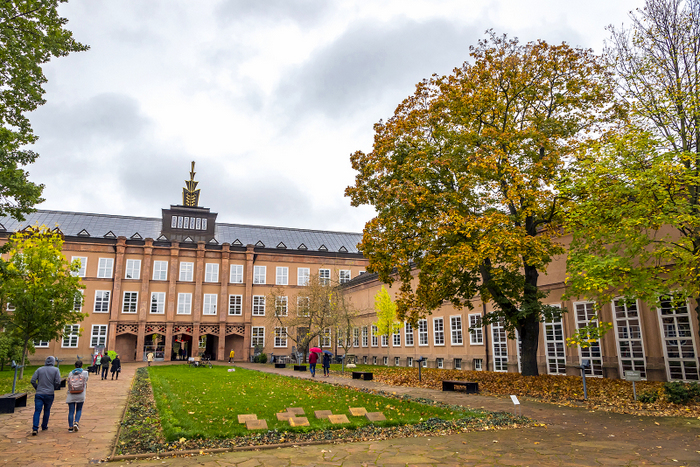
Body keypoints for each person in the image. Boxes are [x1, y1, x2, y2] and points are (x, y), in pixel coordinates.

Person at [30, 356, 61, 435]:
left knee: (37, 411)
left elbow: (33, 380)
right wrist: (53, 388)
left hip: (39, 393)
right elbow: (58, 382)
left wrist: (37, 388)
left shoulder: (39, 369)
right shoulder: (56, 370)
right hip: (49, 393)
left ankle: (35, 428)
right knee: (47, 410)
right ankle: (44, 425)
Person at [66, 360, 88, 432]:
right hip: (80, 394)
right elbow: (86, 381)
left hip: (71, 394)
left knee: (71, 411)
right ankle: (76, 422)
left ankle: (70, 427)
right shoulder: (85, 373)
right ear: (82, 366)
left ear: (75, 366)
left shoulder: (70, 373)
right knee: (79, 409)